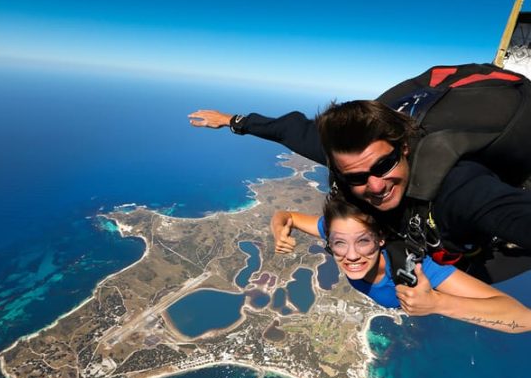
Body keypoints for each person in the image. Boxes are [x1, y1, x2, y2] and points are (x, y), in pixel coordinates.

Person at [189, 63, 531, 283]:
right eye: (356, 177)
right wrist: (232, 121)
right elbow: (289, 129)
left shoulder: (456, 188)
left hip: (476, 211)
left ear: (405, 148)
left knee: (470, 269)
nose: (376, 185)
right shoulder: (345, 155)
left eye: (384, 165)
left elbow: (506, 213)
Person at [270, 196, 531, 333]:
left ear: (381, 239)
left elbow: (523, 318)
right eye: (339, 243)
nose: (350, 255)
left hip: (488, 258)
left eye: (363, 242)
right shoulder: (336, 231)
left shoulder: (417, 268)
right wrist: (278, 231)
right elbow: (286, 216)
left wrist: (438, 303)